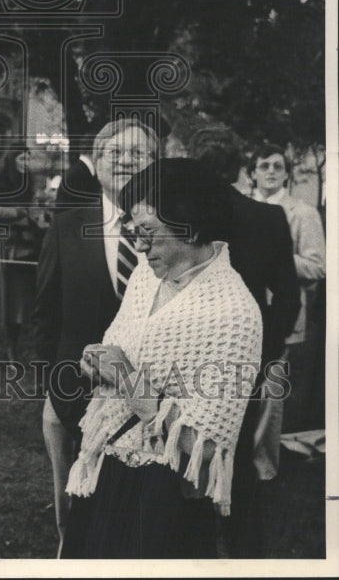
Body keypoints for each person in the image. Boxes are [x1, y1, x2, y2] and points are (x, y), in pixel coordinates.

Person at [61, 159, 263, 558]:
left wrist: (126, 379)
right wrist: (98, 363)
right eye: (134, 232)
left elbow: (204, 447)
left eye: (149, 233)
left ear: (192, 225)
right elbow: (120, 349)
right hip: (106, 463)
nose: (138, 246)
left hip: (164, 493)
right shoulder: (144, 275)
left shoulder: (235, 314)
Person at [34, 118, 158, 551]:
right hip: (76, 392)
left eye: (137, 154)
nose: (125, 161)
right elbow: (46, 312)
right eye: (113, 152)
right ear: (96, 162)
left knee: (133, 512)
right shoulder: (68, 224)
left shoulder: (174, 229)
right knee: (73, 502)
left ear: (154, 163)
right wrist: (50, 385)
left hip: (148, 398)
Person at [188, 131, 299, 556]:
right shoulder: (267, 218)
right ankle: (244, 553)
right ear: (240, 169)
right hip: (245, 356)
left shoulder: (182, 218)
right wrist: (266, 352)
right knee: (238, 461)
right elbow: (288, 295)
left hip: (189, 354)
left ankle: (193, 551)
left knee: (189, 455)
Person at [249, 144, 326, 477]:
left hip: (280, 311)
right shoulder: (242, 208)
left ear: (286, 172)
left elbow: (318, 267)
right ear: (252, 172)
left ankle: (263, 467)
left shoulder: (302, 212)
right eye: (263, 165)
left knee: (270, 389)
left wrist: (276, 253)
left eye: (277, 166)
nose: (270, 171)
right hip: (243, 309)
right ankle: (239, 459)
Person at [0, 148, 46, 363]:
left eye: (28, 158)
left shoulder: (27, 182)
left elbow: (33, 210)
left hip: (22, 245)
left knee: (17, 300)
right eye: (22, 157)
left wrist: (31, 214)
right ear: (11, 159)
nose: (26, 162)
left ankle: (12, 350)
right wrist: (21, 212)